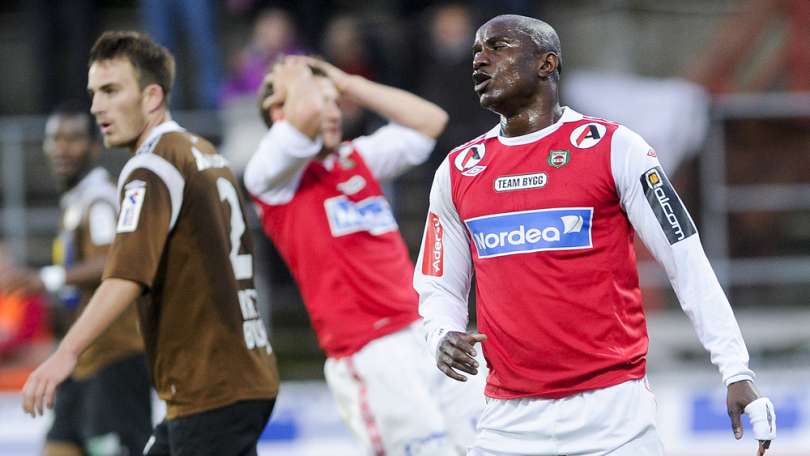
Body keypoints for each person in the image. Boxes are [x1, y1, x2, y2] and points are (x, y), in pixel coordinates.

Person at [413, 14, 776, 456]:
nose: (480, 60)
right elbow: (438, 284)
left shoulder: (615, 148)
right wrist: (441, 333)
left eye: (497, 47)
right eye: (476, 51)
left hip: (614, 420)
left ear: (546, 63)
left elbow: (686, 261)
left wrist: (736, 369)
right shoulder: (459, 170)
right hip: (507, 423)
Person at [21, 31, 280, 456]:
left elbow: (125, 274)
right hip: (232, 376)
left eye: (111, 90)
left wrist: (66, 353)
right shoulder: (204, 152)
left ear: (152, 96)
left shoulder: (151, 167)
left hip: (210, 385)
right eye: (94, 93)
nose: (96, 106)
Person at [244, 55, 485, 455]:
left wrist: (346, 82)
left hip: (422, 329)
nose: (332, 112)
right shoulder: (270, 177)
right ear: (278, 113)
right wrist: (294, 71)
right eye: (321, 100)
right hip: (369, 351)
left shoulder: (353, 157)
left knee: (484, 442)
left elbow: (430, 121)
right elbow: (304, 116)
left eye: (334, 101)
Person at [1, 102, 152, 456]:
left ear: (95, 146)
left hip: (115, 357)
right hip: (81, 359)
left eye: (73, 138)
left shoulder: (99, 201)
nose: (62, 148)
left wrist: (47, 278)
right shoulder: (78, 200)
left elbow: (112, 261)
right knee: (58, 446)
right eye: (55, 139)